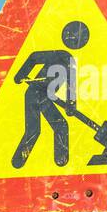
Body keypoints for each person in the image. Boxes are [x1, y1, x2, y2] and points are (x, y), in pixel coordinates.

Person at [10, 20, 90, 169]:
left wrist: (71, 105)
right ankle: (21, 162)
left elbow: (71, 86)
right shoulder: (60, 55)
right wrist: (20, 75)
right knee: (47, 128)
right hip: (35, 93)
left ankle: (56, 163)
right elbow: (33, 57)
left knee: (43, 129)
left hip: (43, 96)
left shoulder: (69, 59)